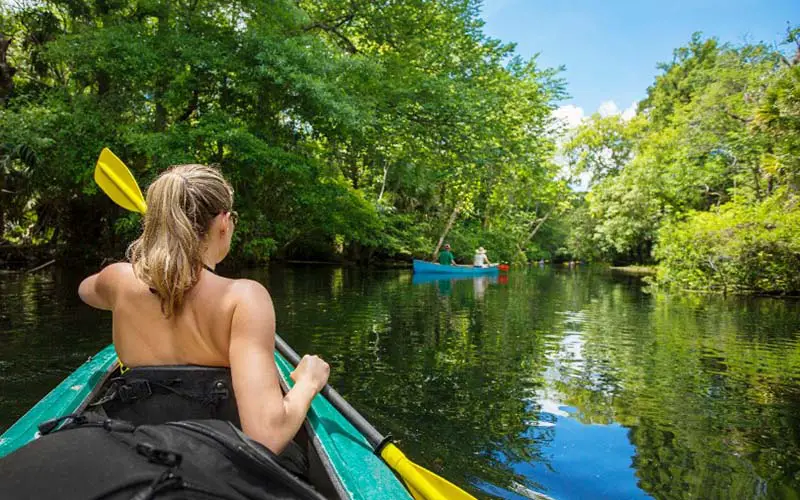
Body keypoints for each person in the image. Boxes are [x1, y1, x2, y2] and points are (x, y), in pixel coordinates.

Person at [78, 164, 329, 455]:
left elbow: (86, 291)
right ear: (223, 222)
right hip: (214, 457)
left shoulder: (118, 280)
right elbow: (267, 437)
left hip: (134, 446)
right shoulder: (244, 298)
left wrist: (141, 270)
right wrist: (309, 382)